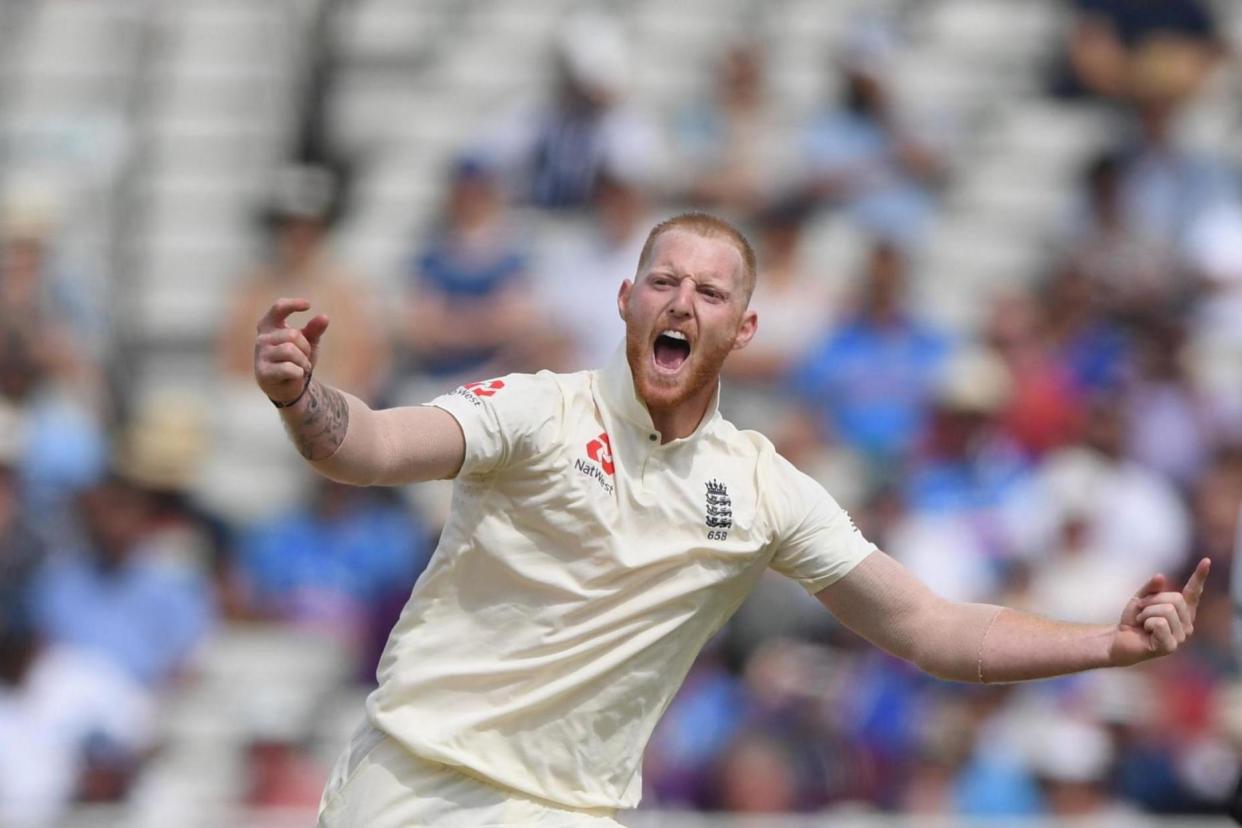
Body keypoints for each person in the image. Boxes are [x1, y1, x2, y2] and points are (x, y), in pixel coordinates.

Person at [252, 213, 1210, 826]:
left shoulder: (760, 488)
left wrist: (1108, 645)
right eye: (663, 282)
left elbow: (932, 628)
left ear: (743, 331)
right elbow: (369, 446)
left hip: (572, 810)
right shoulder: (534, 412)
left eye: (711, 292)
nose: (682, 302)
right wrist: (304, 400)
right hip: (418, 787)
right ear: (626, 302)